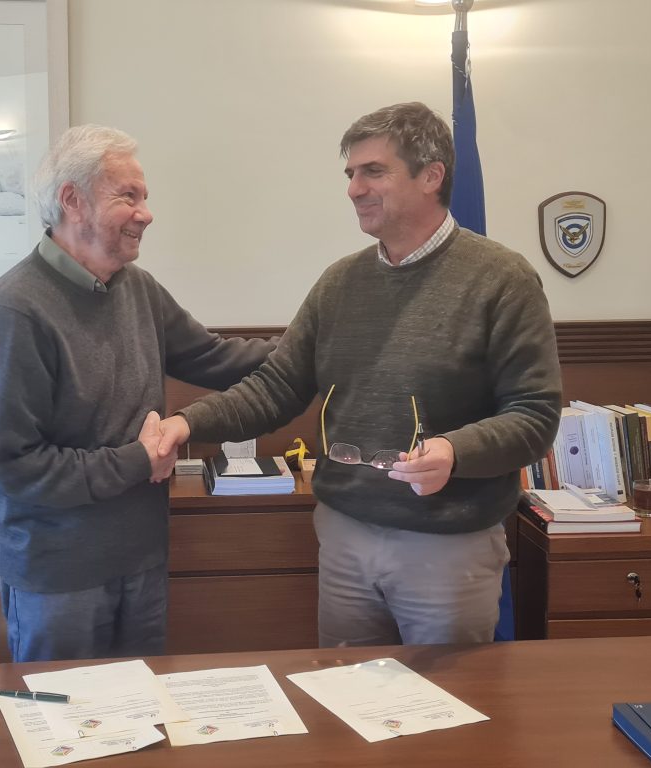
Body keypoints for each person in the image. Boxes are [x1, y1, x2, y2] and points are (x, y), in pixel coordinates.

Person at [158, 102, 562, 647]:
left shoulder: (501, 279)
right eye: (351, 173)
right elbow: (277, 386)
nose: (354, 189)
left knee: (450, 700)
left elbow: (534, 415)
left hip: (446, 548)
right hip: (345, 535)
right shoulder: (340, 283)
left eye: (373, 171)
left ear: (431, 175)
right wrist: (187, 423)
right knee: (345, 693)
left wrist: (454, 450)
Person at [0, 125, 274, 662]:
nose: (146, 214)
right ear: (72, 201)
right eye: (128, 196)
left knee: (143, 707)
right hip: (60, 580)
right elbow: (16, 468)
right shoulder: (16, 311)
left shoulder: (137, 288)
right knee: (68, 714)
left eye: (144, 197)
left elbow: (217, 359)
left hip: (142, 562)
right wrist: (138, 460)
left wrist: (317, 343)